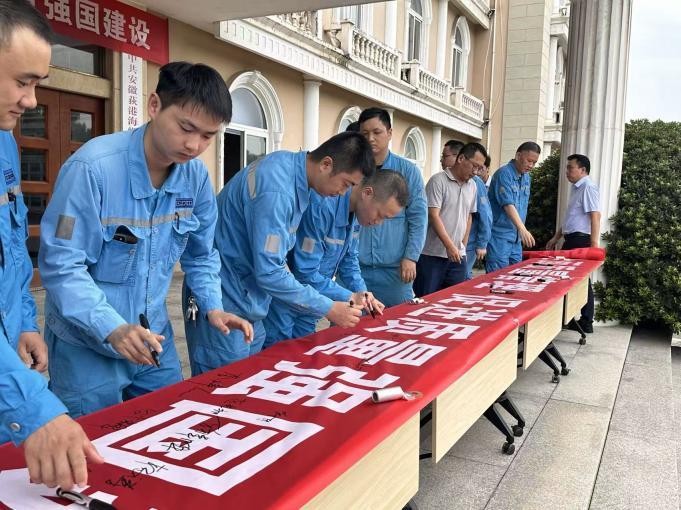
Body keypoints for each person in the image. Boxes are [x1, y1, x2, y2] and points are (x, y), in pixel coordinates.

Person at [39, 62, 253, 417]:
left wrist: (213, 305)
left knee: (171, 421)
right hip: (87, 344)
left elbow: (201, 255)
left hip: (153, 336)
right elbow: (62, 266)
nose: (194, 145)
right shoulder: (92, 169)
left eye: (208, 136)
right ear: (154, 105)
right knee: (92, 440)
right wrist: (112, 328)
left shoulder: (196, 180)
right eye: (186, 128)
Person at [0, 0, 103, 488]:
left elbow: (12, 245)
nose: (32, 101)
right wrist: (33, 409)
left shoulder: (4, 139)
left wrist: (22, 321)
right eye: (23, 82)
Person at [183, 132, 375, 375]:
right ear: (326, 164)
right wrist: (329, 308)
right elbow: (270, 272)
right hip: (224, 300)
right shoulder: (278, 190)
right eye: (346, 183)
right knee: (220, 386)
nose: (343, 192)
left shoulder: (295, 177)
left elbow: (277, 259)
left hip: (250, 301)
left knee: (250, 381)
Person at [263, 170, 408, 345]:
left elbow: (349, 260)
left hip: (314, 301)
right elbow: (304, 273)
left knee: (303, 349)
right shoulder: (322, 208)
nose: (378, 222)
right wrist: (349, 296)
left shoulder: (357, 215)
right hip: (288, 298)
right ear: (367, 193)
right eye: (380, 215)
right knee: (277, 351)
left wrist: (363, 294)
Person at [355, 107, 427, 306]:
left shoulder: (408, 172)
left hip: (395, 271)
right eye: (364, 133)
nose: (370, 139)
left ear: (389, 133)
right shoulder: (353, 170)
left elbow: (418, 218)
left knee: (399, 321)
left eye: (377, 132)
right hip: (355, 270)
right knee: (349, 323)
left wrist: (411, 257)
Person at [413, 142, 486, 296]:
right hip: (432, 255)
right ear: (461, 158)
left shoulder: (472, 186)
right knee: (427, 300)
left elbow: (469, 216)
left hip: (458, 256)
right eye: (474, 166)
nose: (476, 172)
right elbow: (433, 215)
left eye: (480, 168)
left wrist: (462, 245)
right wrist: (449, 246)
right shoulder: (438, 181)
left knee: (454, 299)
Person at [546, 154, 600, 333]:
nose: (567, 171)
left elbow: (595, 216)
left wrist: (593, 246)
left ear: (582, 170)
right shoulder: (576, 188)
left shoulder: (588, 187)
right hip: (571, 239)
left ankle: (587, 321)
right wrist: (556, 237)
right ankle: (570, 317)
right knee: (566, 277)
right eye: (567, 167)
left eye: (571, 168)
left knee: (581, 280)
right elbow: (571, 218)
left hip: (581, 240)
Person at [486, 141, 541, 272]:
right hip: (500, 237)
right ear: (518, 156)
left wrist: (521, 231)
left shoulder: (526, 177)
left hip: (516, 238)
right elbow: (508, 204)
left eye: (534, 162)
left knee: (515, 276)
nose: (531, 165)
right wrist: (523, 229)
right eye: (529, 161)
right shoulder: (503, 174)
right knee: (497, 278)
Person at [465, 154, 493, 279]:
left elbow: (485, 214)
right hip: (453, 241)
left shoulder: (476, 183)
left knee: (462, 276)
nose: (477, 171)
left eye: (480, 167)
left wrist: (482, 244)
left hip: (469, 242)